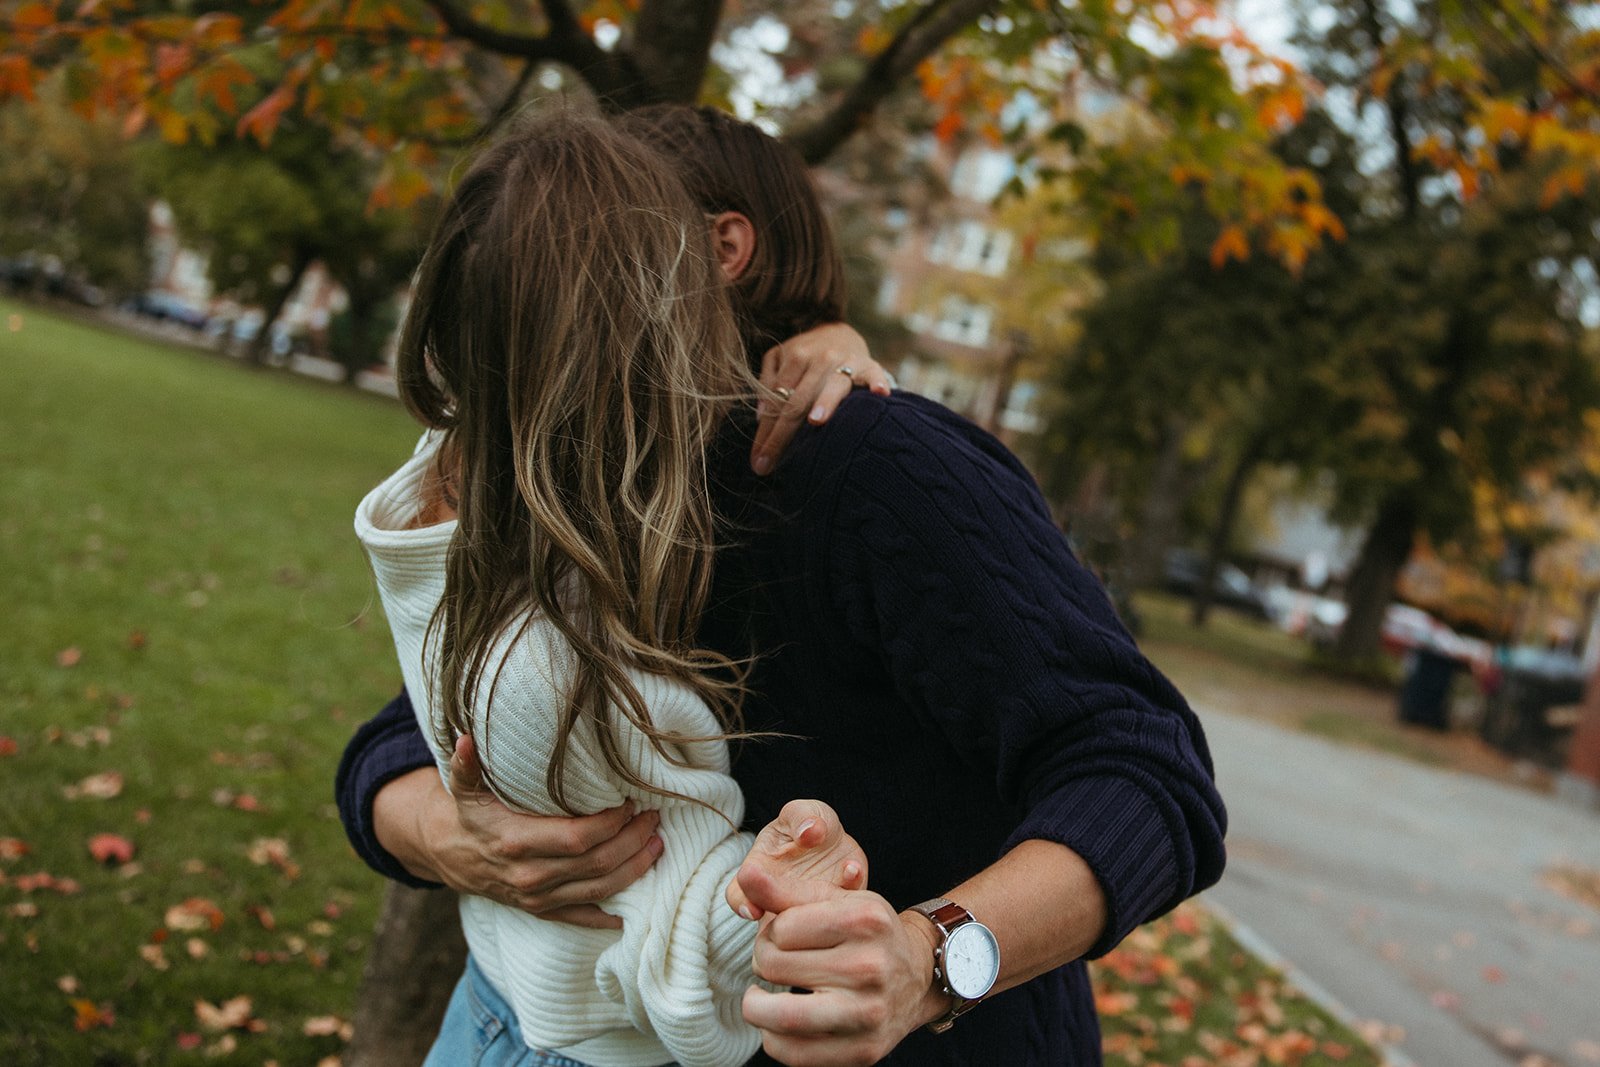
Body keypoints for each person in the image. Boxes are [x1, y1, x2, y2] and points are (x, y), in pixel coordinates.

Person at [338, 104, 1228, 1066]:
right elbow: (419, 720)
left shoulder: (877, 465)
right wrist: (453, 836)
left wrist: (929, 957)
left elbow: (1148, 772)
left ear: (713, 252)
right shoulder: (586, 464)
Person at [356, 112, 876, 1067]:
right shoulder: (556, 666)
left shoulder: (442, 513)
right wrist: (774, 887)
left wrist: (822, 331)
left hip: (494, 1006)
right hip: (571, 1045)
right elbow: (675, 934)